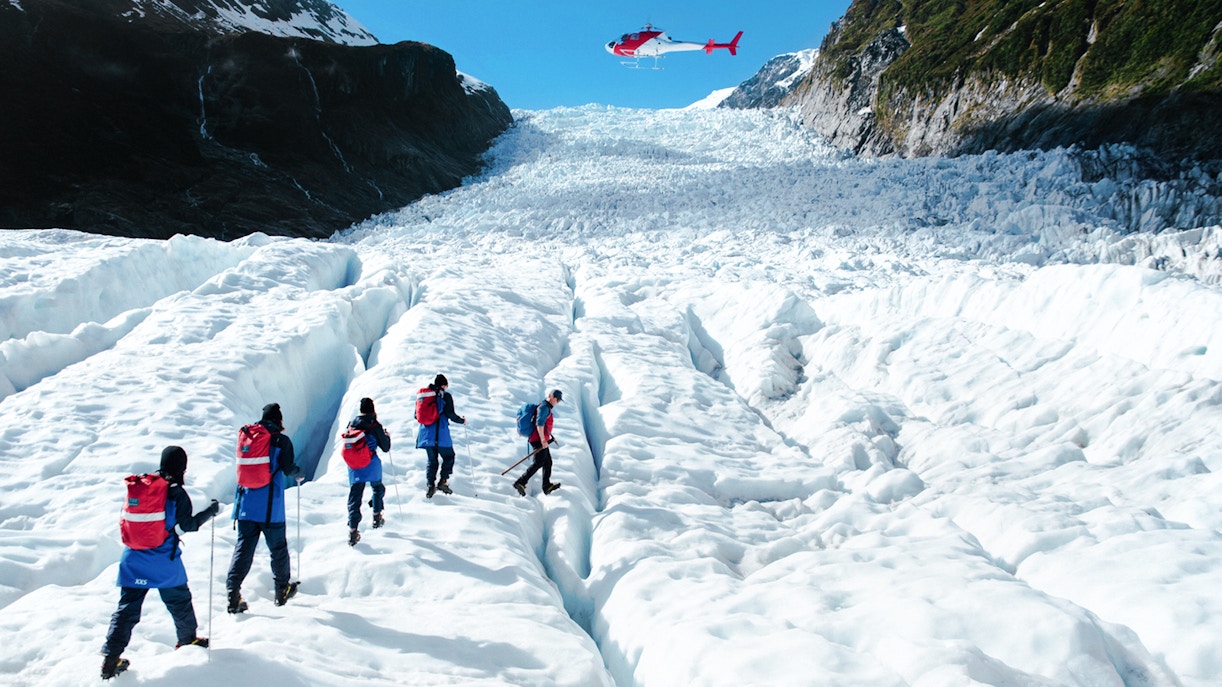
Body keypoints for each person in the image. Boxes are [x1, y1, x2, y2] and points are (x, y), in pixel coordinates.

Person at [101, 446, 220, 680]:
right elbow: (189, 526)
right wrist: (210, 512)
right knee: (179, 601)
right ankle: (188, 640)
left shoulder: (144, 486)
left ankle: (110, 658)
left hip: (133, 557)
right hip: (162, 560)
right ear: (182, 467)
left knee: (127, 609)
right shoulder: (176, 493)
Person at [226, 402, 302, 613]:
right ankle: (281, 590)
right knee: (277, 549)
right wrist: (298, 472)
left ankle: (233, 591)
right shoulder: (280, 440)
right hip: (270, 507)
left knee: (244, 549)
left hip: (245, 505)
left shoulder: (248, 436)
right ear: (279, 420)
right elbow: (288, 468)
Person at [346, 397, 391, 546]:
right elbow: (385, 447)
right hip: (370, 462)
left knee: (355, 497)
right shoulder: (374, 425)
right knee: (377, 488)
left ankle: (353, 530)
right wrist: (387, 437)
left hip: (355, 466)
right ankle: (377, 517)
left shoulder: (351, 424)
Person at [415, 374, 467, 498]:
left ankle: (430, 485)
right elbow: (450, 413)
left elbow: (416, 416)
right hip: (441, 433)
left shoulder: (423, 397)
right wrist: (461, 420)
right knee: (449, 456)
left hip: (426, 434)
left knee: (432, 461)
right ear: (444, 385)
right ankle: (443, 481)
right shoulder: (444, 396)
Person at [513, 389, 562, 496]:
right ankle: (520, 482)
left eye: (559, 400)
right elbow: (539, 423)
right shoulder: (544, 407)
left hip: (540, 438)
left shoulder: (546, 407)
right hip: (538, 439)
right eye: (556, 399)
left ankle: (546, 486)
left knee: (547, 462)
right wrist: (543, 439)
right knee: (539, 462)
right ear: (551, 396)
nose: (557, 402)